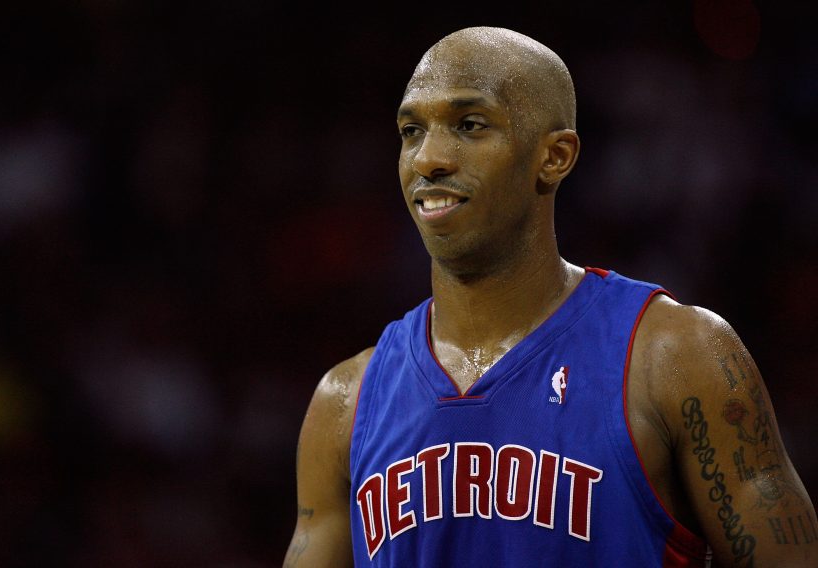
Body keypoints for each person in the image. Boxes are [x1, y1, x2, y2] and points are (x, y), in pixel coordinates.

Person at [284, 26, 817, 567]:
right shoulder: (345, 403)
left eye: (469, 125)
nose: (428, 158)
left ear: (555, 157)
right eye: (411, 130)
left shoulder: (678, 356)